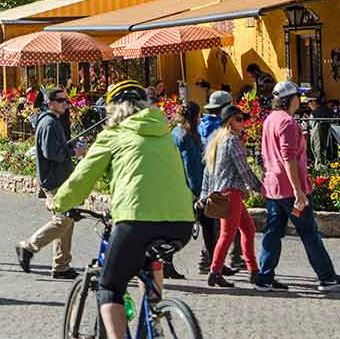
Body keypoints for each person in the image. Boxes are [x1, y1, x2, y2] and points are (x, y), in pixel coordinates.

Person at [53, 81, 194, 339]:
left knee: (109, 286)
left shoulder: (113, 135)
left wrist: (57, 203)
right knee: (150, 264)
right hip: (182, 222)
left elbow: (82, 179)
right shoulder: (164, 133)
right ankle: (154, 321)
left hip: (135, 219)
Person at [255, 81, 340, 292]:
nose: (300, 100)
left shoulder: (270, 120)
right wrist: (298, 190)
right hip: (290, 189)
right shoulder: (287, 122)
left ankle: (265, 278)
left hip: (273, 187)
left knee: (273, 232)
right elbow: (289, 158)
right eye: (297, 96)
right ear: (290, 99)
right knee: (309, 232)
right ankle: (327, 277)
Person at [16, 86, 84, 279]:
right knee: (64, 220)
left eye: (66, 101)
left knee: (67, 221)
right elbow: (51, 153)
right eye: (61, 101)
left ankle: (61, 266)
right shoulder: (48, 123)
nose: (65, 104)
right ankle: (28, 247)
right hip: (55, 180)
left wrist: (70, 145)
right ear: (50, 103)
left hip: (60, 178)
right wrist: (74, 152)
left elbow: (56, 148)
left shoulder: (53, 121)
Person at [200, 104, 262, 288]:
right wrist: (260, 188)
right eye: (238, 119)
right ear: (229, 121)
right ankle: (215, 271)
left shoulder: (217, 140)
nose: (242, 123)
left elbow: (208, 172)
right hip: (231, 193)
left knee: (248, 229)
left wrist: (204, 195)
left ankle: (253, 270)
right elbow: (244, 169)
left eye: (243, 119)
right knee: (227, 234)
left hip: (224, 192)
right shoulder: (232, 140)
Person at [170, 102, 216, 277]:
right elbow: (191, 167)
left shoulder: (175, 132)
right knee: (207, 225)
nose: (200, 119)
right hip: (190, 189)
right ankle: (213, 264)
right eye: (198, 116)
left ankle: (213, 263)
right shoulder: (186, 137)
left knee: (182, 227)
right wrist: (198, 193)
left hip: (178, 186)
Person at [309, 95, 334, 166]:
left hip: (319, 137)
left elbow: (312, 126)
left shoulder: (315, 112)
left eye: (309, 102)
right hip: (330, 140)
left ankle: (320, 170)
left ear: (314, 102)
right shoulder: (328, 110)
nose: (308, 105)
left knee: (319, 154)